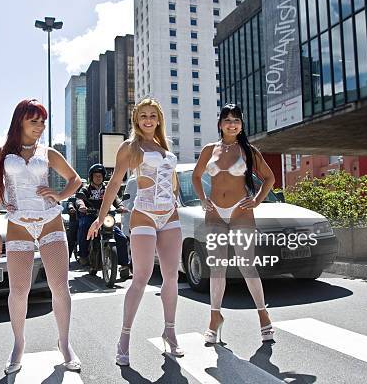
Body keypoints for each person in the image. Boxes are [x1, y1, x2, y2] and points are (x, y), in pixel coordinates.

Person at [0, 99, 82, 375]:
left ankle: (64, 344)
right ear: (20, 121)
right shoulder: (0, 155)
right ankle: (19, 344)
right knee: (18, 290)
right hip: (18, 225)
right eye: (34, 121)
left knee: (59, 286)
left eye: (42, 121)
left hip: (50, 221)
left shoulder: (48, 152)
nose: (40, 126)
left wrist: (60, 195)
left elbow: (75, 179)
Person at [87, 97, 184, 366]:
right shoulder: (131, 147)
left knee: (171, 276)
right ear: (136, 120)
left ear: (159, 119)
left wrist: (176, 199)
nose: (149, 120)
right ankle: (124, 338)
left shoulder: (165, 146)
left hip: (170, 214)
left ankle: (170, 331)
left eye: (153, 115)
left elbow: (172, 180)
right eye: (144, 115)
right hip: (144, 214)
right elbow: (115, 182)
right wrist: (100, 217)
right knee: (141, 276)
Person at [192, 103, 275, 345]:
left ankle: (263, 315)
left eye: (236, 119)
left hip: (241, 213)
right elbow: (197, 176)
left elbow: (269, 177)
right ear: (220, 124)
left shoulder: (249, 150)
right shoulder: (209, 150)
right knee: (217, 267)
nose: (232, 123)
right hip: (215, 213)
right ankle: (214, 318)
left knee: (247, 266)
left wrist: (257, 201)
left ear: (241, 124)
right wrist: (203, 199)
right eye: (227, 119)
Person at [76, 163, 131, 279]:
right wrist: (81, 206)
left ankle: (125, 266)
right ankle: (83, 255)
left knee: (121, 237)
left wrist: (120, 206)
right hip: (90, 216)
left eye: (100, 176)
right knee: (84, 226)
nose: (98, 178)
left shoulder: (107, 189)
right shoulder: (86, 189)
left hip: (105, 217)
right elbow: (80, 199)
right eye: (96, 176)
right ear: (91, 177)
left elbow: (116, 199)